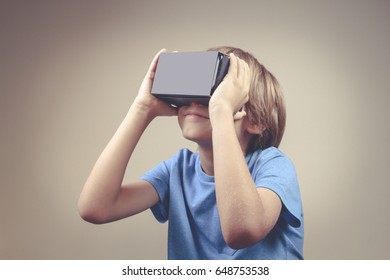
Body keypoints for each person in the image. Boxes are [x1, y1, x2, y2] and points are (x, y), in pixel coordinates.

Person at [78, 46, 304, 260]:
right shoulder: (177, 170)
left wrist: (221, 110)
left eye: (215, 92)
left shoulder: (273, 165)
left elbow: (241, 231)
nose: (195, 100)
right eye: (192, 89)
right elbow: (95, 208)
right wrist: (142, 108)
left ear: (254, 121)